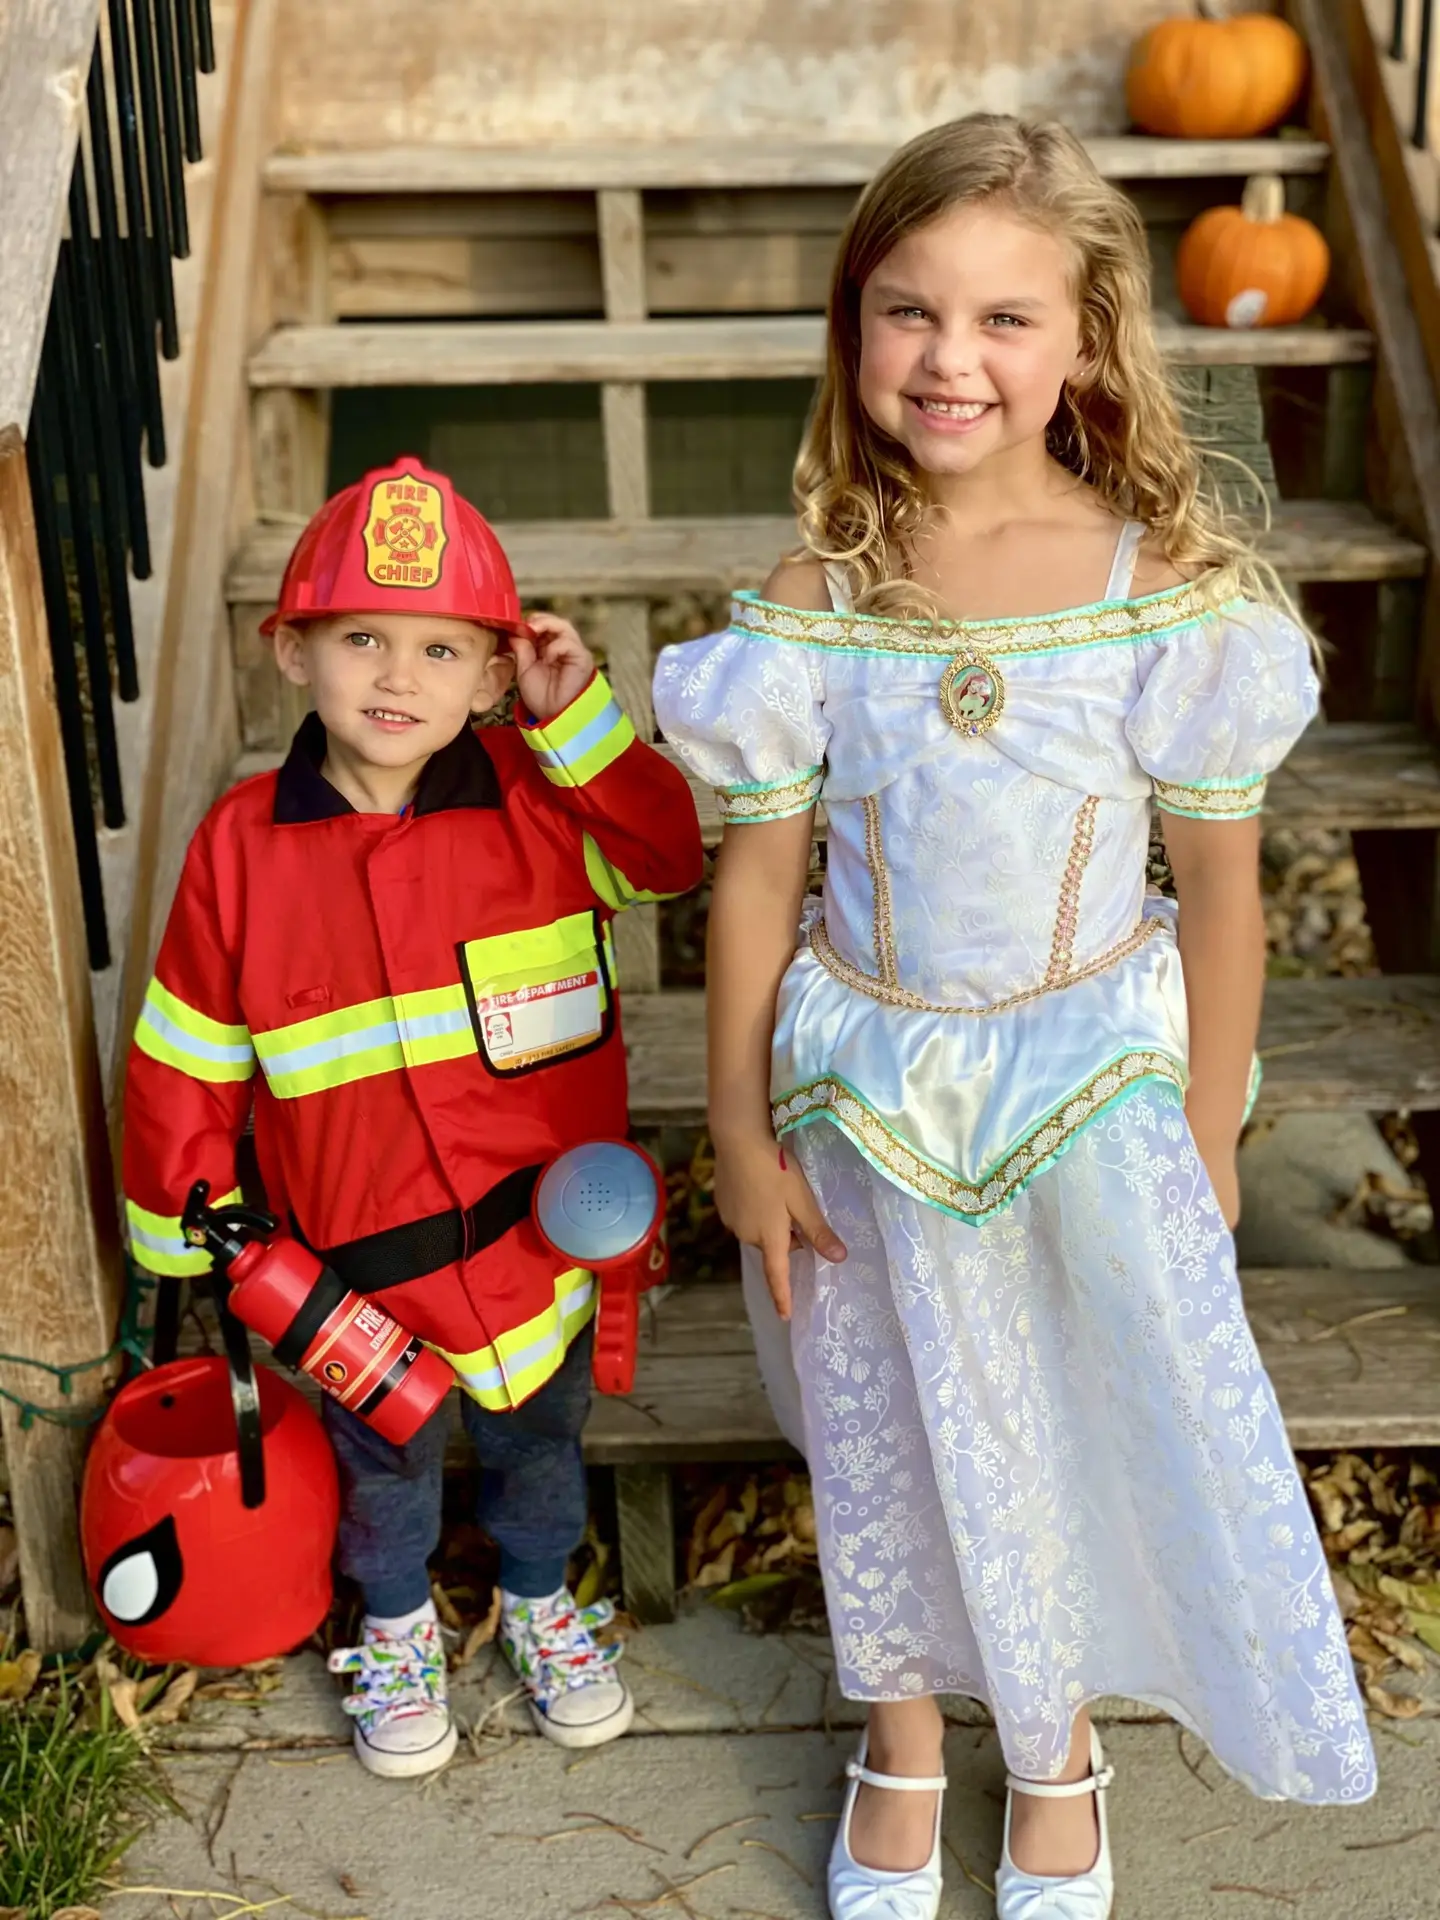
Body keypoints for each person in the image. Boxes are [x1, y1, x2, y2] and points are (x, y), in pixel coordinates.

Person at [653, 116, 1375, 1920]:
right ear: (853, 328)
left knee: (1058, 1412)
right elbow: (755, 880)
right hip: (867, 1089)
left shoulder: (1162, 600)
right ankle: (900, 1730)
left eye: (1003, 320)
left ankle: (1054, 1744)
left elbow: (1217, 895)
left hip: (1086, 1082)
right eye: (909, 313)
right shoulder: (819, 602)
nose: (952, 360)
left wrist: (1206, 1135)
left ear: (1087, 338)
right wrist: (735, 1134)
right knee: (882, 1413)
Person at [124, 456, 703, 1778]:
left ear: (497, 675)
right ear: (292, 650)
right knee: (380, 1478)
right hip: (355, 1272)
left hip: (535, 1256)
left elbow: (668, 857)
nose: (399, 676)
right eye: (363, 638)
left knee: (541, 1444)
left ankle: (543, 1600)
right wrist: (188, 1241)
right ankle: (392, 1629)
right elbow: (185, 1056)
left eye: (444, 649)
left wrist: (581, 727)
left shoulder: (540, 801)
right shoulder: (237, 850)